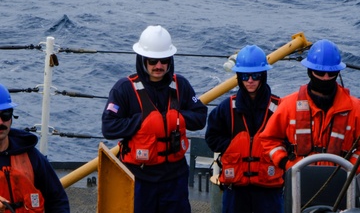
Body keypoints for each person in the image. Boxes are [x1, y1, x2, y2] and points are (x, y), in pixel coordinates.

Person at [101, 25, 208, 213]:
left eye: (164, 61)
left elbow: (199, 116)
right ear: (142, 60)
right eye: (152, 61)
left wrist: (178, 118)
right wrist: (143, 122)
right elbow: (109, 126)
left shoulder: (180, 85)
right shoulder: (124, 89)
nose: (158, 66)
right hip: (139, 178)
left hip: (175, 177)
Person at [260, 39, 360, 174]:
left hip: (341, 182)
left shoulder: (355, 109)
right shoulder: (288, 105)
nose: (325, 78)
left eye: (331, 73)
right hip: (299, 179)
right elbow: (268, 139)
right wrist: (285, 163)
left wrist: (350, 168)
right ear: (309, 71)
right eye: (320, 73)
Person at [205, 45, 284, 213]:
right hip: (236, 192)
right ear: (238, 77)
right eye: (245, 75)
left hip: (269, 192)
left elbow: (291, 141)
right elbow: (211, 136)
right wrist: (233, 147)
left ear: (263, 75)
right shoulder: (226, 108)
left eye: (255, 75)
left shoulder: (279, 109)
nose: (250, 80)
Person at [0, 83, 70, 213]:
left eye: (5, 115)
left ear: (12, 117)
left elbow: (57, 200)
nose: (0, 122)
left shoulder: (30, 156)